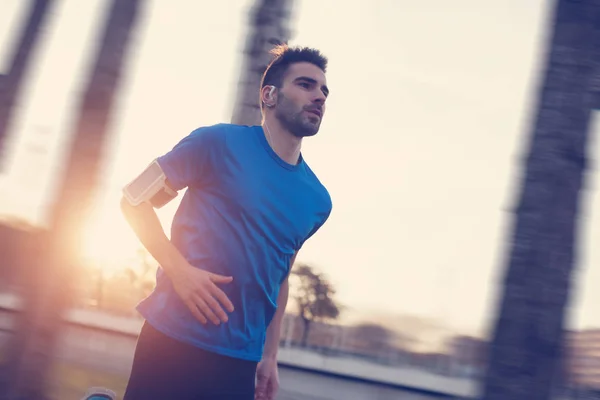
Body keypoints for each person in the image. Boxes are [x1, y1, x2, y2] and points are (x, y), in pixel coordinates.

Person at [114, 44, 331, 400]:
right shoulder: (215, 143)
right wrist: (179, 271)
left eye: (324, 90)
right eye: (306, 85)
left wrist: (270, 356)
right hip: (171, 338)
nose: (319, 96)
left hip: (239, 364)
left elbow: (281, 277)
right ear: (269, 95)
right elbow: (133, 202)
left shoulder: (317, 201)